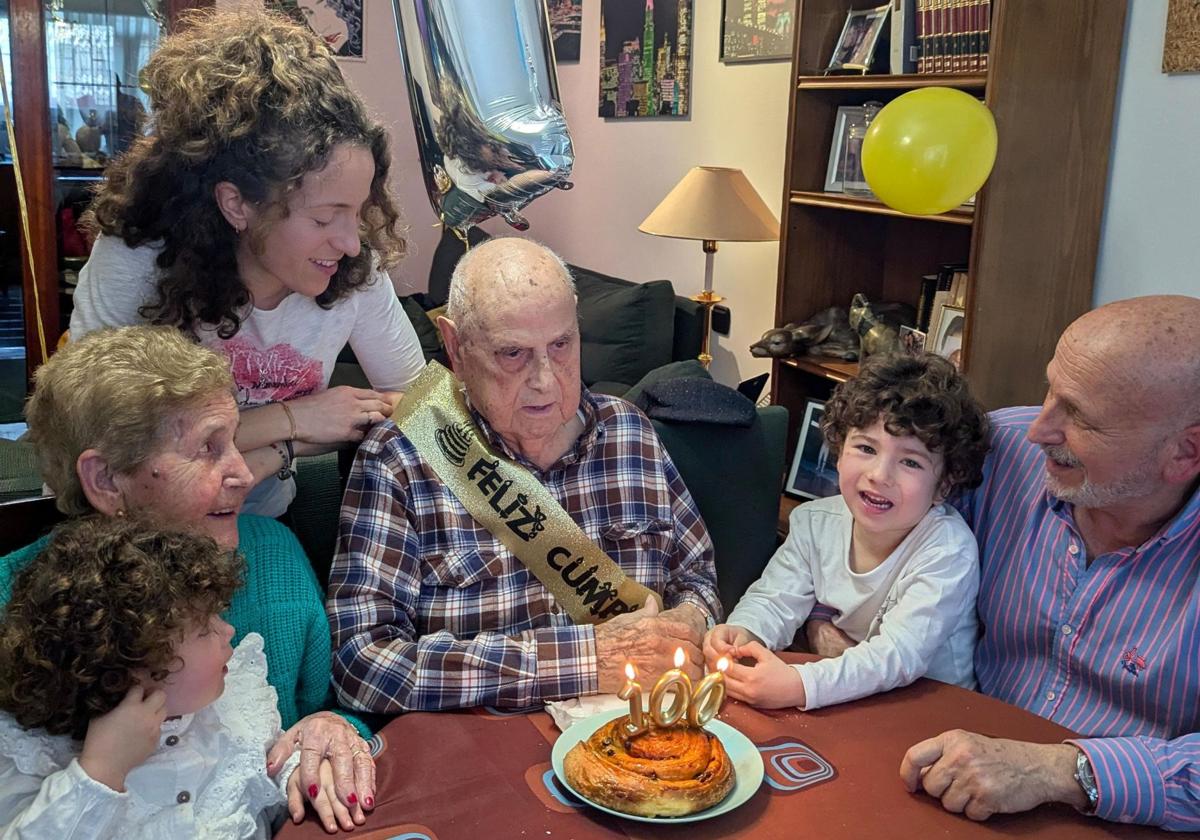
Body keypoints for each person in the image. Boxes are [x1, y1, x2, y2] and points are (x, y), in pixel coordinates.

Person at [804, 296, 1199, 830]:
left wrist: (1063, 770)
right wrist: (824, 615)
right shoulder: (1003, 456)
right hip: (938, 760)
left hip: (1117, 820)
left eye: (1079, 416)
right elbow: (866, 533)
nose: (1039, 429)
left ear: (1185, 453)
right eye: (1050, 391)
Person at [327, 238, 722, 712]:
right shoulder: (401, 456)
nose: (545, 380)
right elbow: (362, 664)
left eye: (561, 345)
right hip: (490, 752)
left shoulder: (628, 432)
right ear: (455, 345)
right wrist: (587, 659)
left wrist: (689, 623)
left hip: (640, 732)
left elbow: (696, 576)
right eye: (512, 354)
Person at [0, 326, 374, 822]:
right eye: (207, 449)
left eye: (235, 440)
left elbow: (334, 707)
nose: (244, 473)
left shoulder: (271, 553)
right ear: (106, 480)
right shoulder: (17, 603)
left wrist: (332, 726)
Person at [69, 8, 424, 518]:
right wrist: (291, 420)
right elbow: (97, 439)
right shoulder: (139, 258)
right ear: (237, 203)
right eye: (326, 218)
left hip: (265, 518)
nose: (350, 243)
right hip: (143, 526)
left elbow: (414, 404)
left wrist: (274, 450)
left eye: (359, 211)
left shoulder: (352, 268)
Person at [0, 517, 369, 836]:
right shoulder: (32, 753)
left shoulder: (234, 705)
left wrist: (302, 770)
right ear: (134, 663)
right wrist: (100, 771)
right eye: (205, 629)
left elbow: (268, 768)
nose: (229, 632)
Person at [704, 352, 989, 711]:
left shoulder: (947, 549)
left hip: (932, 712)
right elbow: (774, 599)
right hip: (851, 697)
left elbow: (898, 656)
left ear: (945, 485)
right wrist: (743, 633)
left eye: (911, 461)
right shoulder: (815, 522)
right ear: (839, 451)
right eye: (866, 448)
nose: (880, 475)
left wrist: (800, 684)